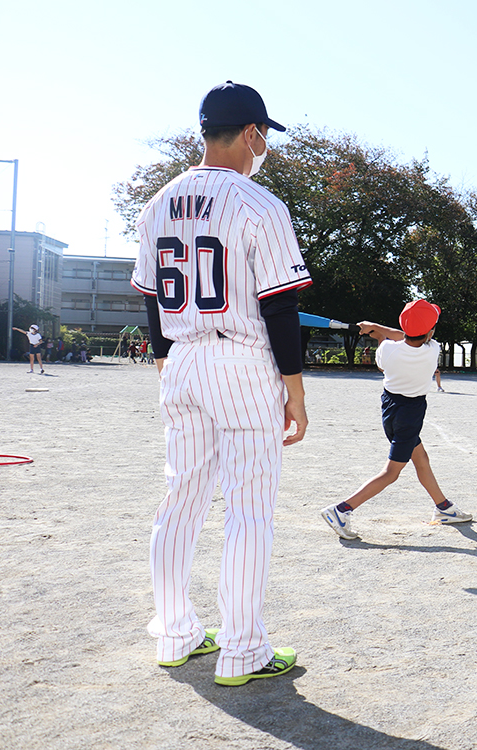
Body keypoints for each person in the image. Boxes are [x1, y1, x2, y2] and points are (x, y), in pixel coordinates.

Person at [131, 81, 312, 686]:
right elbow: (281, 307)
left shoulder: (159, 202)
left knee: (180, 499)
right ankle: (241, 651)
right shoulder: (260, 203)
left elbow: (153, 299)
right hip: (241, 360)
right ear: (253, 134)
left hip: (182, 357)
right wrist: (296, 387)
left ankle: (175, 634)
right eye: (264, 136)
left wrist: (165, 359)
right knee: (249, 511)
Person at [320, 299, 472, 540]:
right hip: (410, 415)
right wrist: (377, 327)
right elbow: (408, 336)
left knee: (421, 458)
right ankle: (341, 510)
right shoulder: (434, 350)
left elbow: (398, 340)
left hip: (391, 410)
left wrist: (375, 329)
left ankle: (444, 508)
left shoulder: (387, 350)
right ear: (431, 331)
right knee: (391, 473)